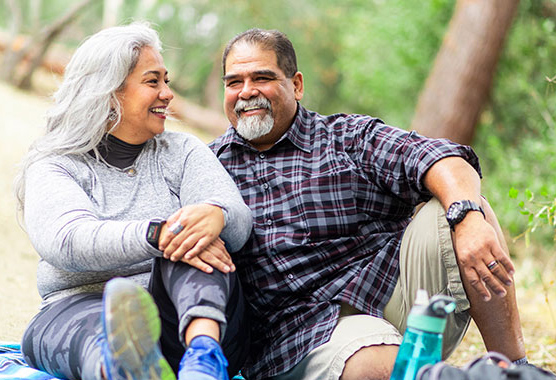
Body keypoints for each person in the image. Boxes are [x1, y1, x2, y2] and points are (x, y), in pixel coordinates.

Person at [209, 28, 530, 380]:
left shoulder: (345, 138)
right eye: (234, 82)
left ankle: (515, 369)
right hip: (300, 337)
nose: (247, 92)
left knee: (463, 207)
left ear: (296, 85)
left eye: (262, 77)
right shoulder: (210, 168)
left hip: (389, 294)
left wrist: (466, 217)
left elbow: (442, 158)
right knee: (381, 368)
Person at [14, 22, 252, 380]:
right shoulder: (56, 166)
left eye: (166, 81)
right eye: (152, 81)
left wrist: (216, 215)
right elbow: (66, 240)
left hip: (194, 318)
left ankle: (204, 360)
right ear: (110, 92)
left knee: (194, 239)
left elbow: (237, 217)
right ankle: (125, 368)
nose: (168, 94)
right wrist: (157, 234)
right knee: (84, 332)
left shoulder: (182, 151)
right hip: (79, 305)